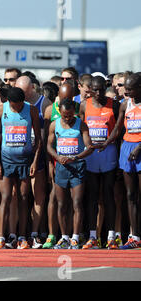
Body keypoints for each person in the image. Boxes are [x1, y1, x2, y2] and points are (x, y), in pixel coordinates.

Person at [0, 87, 41, 249]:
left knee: (23, 197)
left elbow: (39, 139)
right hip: (6, 160)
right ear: (8, 102)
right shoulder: (0, 110)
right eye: (14, 106)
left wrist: (34, 162)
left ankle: (22, 237)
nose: (17, 108)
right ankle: (1, 237)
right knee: (5, 197)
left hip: (25, 160)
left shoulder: (31, 110)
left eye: (20, 105)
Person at [47, 98, 94, 249]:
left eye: (70, 115)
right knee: (61, 204)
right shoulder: (54, 125)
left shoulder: (81, 124)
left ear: (74, 112)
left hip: (77, 167)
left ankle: (75, 237)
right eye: (64, 115)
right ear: (59, 112)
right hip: (61, 168)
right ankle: (64, 237)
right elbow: (48, 145)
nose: (67, 118)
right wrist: (57, 157)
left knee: (77, 203)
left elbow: (89, 147)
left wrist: (75, 157)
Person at [79, 76, 120, 249]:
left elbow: (119, 129)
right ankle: (93, 236)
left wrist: (110, 144)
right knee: (93, 197)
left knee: (109, 196)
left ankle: (111, 236)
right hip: (91, 156)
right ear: (90, 90)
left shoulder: (114, 104)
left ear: (105, 88)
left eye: (100, 89)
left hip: (109, 153)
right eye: (94, 90)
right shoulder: (83, 105)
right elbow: (81, 129)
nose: (97, 93)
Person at [101, 73, 141, 249]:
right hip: (127, 148)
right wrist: (106, 142)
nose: (127, 91)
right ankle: (135, 237)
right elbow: (117, 128)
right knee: (130, 195)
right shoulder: (125, 104)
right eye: (126, 87)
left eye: (131, 88)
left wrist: (139, 148)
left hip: (139, 148)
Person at [16, 75, 51, 248]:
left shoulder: (44, 103)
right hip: (19, 156)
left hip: (38, 155)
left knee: (38, 196)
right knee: (21, 196)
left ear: (32, 89)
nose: (19, 95)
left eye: (23, 92)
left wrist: (42, 157)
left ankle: (35, 233)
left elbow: (47, 135)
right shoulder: (14, 103)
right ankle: (19, 234)